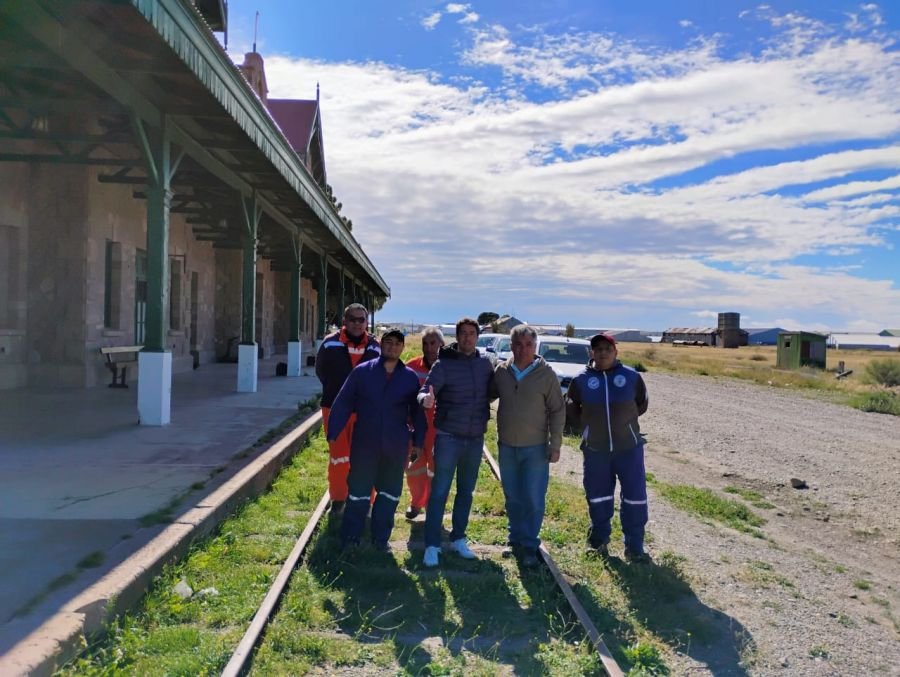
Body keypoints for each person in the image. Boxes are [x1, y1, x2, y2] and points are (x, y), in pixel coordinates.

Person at [326, 329, 426, 550]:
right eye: (388, 343)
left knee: (389, 493)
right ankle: (351, 536)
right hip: (365, 444)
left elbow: (417, 413)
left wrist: (418, 442)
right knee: (359, 492)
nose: (392, 347)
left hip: (395, 445)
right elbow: (343, 401)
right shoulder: (363, 372)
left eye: (397, 344)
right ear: (382, 345)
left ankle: (380, 539)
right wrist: (333, 432)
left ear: (402, 347)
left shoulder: (409, 377)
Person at [566, 333, 650, 562]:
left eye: (607, 349)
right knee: (598, 497)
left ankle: (634, 547)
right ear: (591, 353)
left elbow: (641, 404)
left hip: (628, 450)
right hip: (596, 451)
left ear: (615, 352)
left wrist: (624, 425)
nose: (602, 353)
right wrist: (589, 428)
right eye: (598, 349)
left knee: (635, 498)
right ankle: (598, 541)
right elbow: (572, 410)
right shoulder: (581, 380)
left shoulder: (631, 377)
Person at [419, 317, 495, 567]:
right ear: (457, 336)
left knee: (466, 491)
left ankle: (458, 538)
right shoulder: (443, 365)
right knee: (440, 490)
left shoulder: (485, 365)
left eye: (472, 334)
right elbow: (426, 390)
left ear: (477, 336)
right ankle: (432, 544)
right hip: (448, 436)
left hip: (474, 438)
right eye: (463, 334)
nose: (467, 338)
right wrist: (425, 400)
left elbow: (494, 391)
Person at [492, 324, 565, 568]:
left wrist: (555, 444)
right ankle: (515, 539)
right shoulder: (501, 371)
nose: (523, 349)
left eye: (529, 345)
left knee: (533, 498)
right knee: (512, 496)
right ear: (511, 346)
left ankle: (530, 544)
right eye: (518, 344)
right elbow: (484, 396)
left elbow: (557, 410)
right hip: (507, 446)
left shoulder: (546, 375)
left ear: (536, 346)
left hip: (535, 448)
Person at [316, 303, 381, 512]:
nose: (357, 323)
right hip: (334, 409)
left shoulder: (375, 347)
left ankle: (366, 501)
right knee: (339, 457)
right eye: (352, 319)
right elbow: (321, 372)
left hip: (365, 412)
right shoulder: (329, 344)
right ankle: (339, 499)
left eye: (361, 319)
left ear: (366, 322)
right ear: (344, 321)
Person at [403, 326, 445, 519]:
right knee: (414, 470)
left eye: (433, 343)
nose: (429, 348)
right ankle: (417, 502)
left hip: (440, 430)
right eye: (425, 343)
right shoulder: (411, 367)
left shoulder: (448, 368)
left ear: (441, 344)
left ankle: (432, 506)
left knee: (436, 471)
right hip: (416, 429)